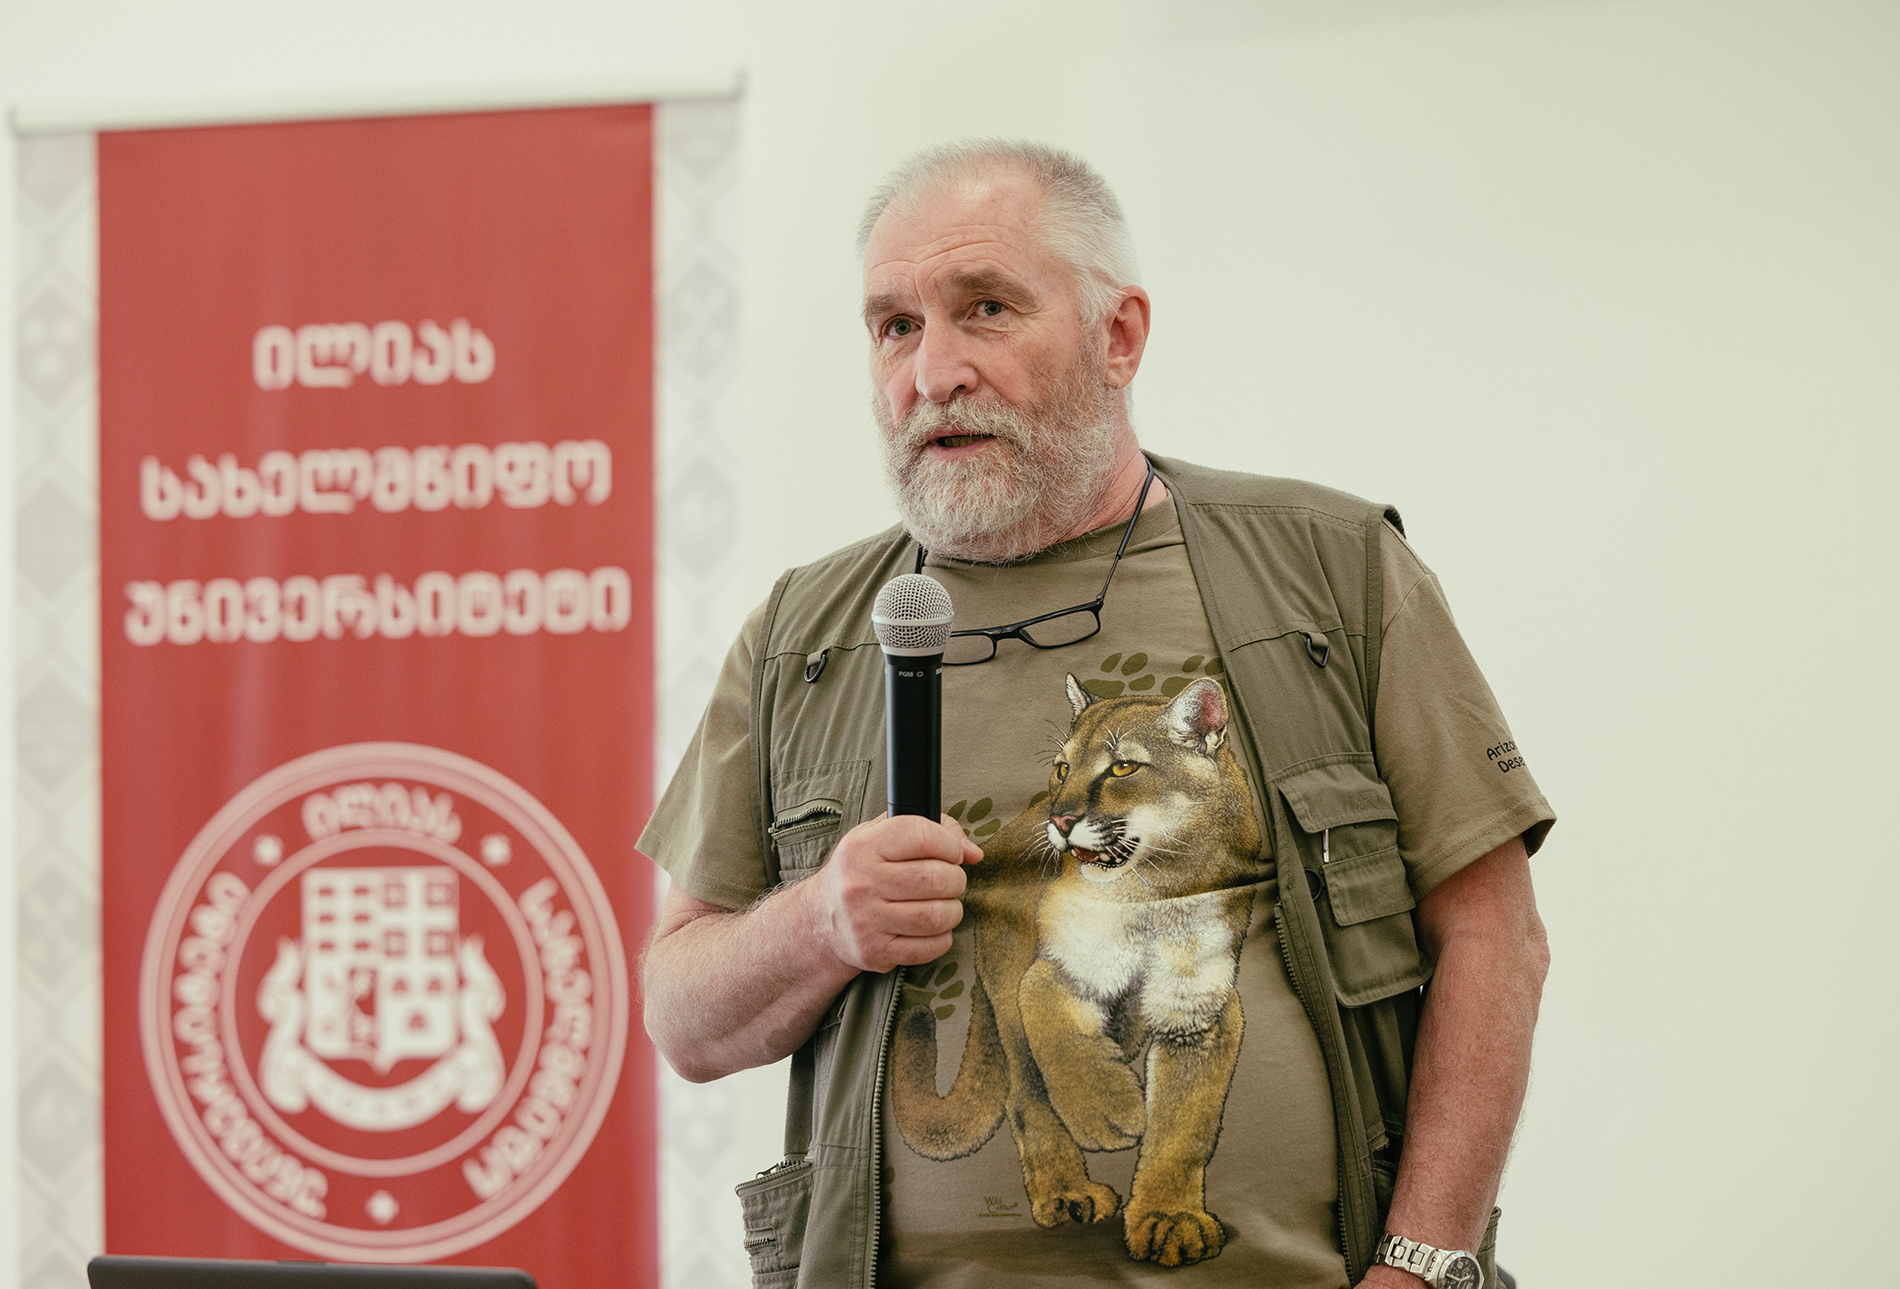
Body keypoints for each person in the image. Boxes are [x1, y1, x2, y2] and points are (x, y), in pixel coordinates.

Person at [639, 141, 1553, 1289]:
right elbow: (682, 1013)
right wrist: (821, 919)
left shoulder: (1333, 575)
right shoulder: (801, 638)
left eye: (985, 308)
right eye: (894, 327)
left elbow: (1494, 937)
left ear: (1118, 336)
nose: (933, 372)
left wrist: (1422, 1266)